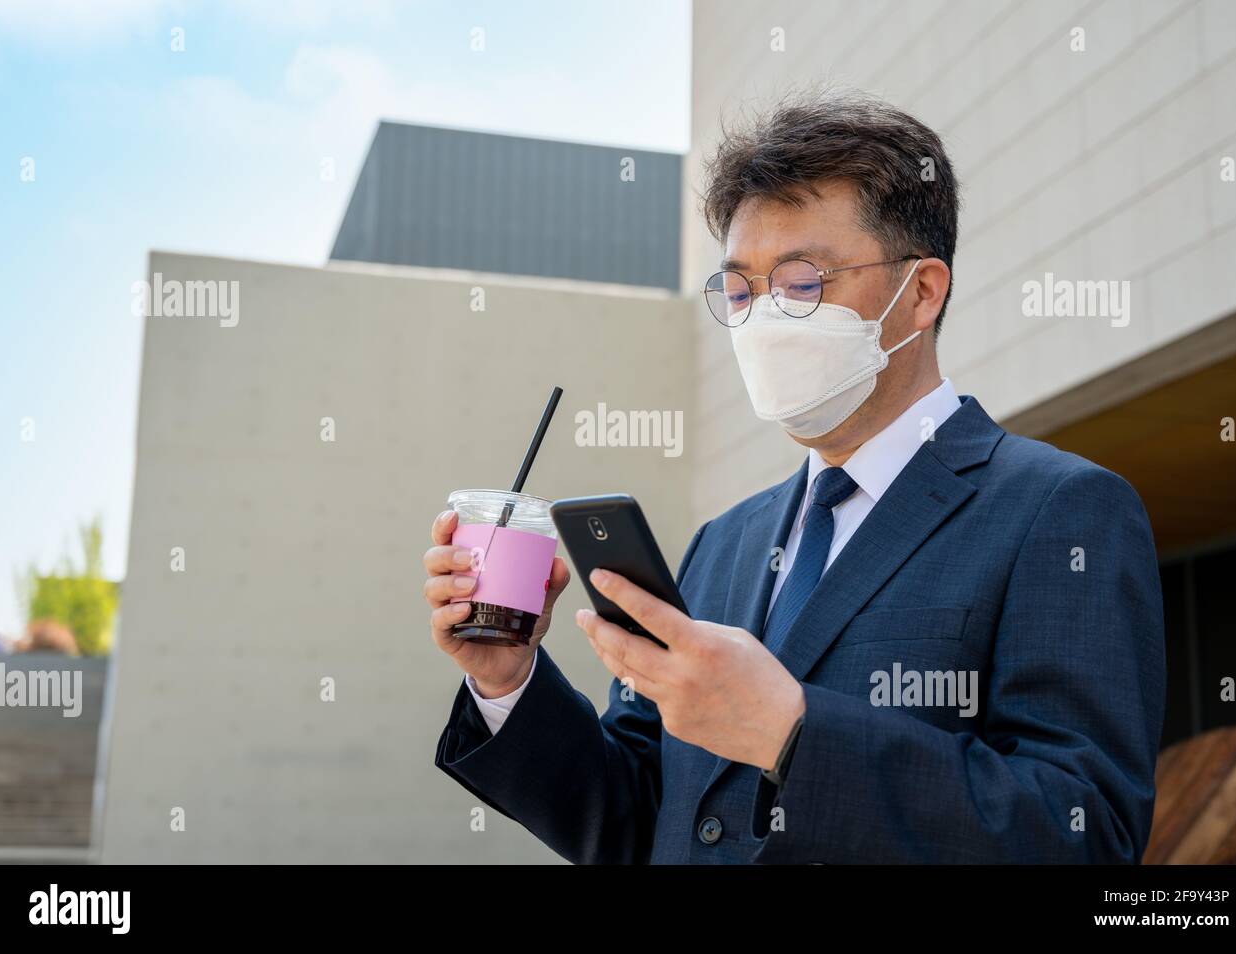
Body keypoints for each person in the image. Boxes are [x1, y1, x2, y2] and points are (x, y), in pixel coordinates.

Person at [425, 89, 1165, 864]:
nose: (763, 319)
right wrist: (507, 682)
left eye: (803, 282)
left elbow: (1084, 833)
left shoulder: (1060, 511)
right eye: (740, 290)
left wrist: (793, 730)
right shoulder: (725, 542)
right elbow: (641, 821)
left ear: (921, 292)